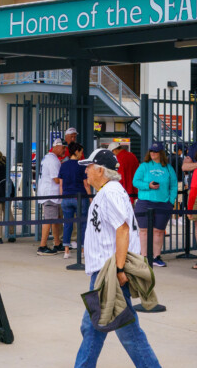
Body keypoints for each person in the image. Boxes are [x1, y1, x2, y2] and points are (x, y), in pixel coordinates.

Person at [74, 148, 161, 368]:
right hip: (106, 272)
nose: (86, 172)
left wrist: (120, 269)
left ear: (100, 170)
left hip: (109, 273)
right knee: (101, 328)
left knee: (118, 331)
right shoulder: (109, 191)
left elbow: (122, 229)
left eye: (89, 167)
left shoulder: (110, 192)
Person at [133, 142, 178, 267]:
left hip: (163, 203)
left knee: (159, 231)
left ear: (161, 153)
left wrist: (171, 201)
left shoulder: (168, 168)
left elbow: (173, 185)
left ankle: (156, 256)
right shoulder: (144, 166)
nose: (153, 153)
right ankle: (144, 256)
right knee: (144, 230)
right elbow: (135, 181)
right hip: (145, 201)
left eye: (156, 151)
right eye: (151, 151)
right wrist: (148, 186)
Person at [60, 141, 90, 258]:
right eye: (81, 152)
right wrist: (91, 198)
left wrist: (62, 197)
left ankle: (66, 251)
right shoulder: (82, 166)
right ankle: (82, 250)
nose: (81, 154)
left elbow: (61, 184)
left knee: (67, 224)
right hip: (80, 197)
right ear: (76, 152)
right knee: (82, 224)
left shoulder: (63, 165)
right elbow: (86, 184)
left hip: (66, 197)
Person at [37, 139, 65, 255]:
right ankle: (42, 246)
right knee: (49, 219)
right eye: (63, 148)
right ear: (57, 147)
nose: (64, 150)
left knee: (55, 219)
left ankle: (57, 243)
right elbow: (56, 179)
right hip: (50, 194)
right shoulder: (53, 160)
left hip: (50, 193)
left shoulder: (47, 158)